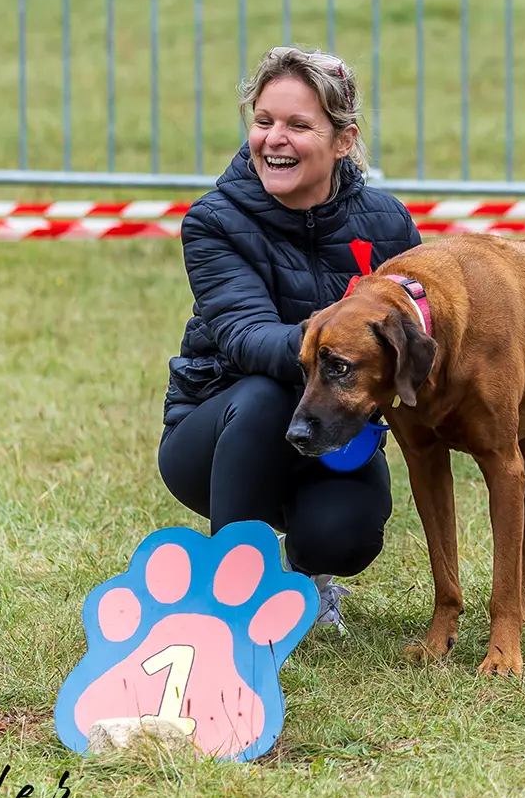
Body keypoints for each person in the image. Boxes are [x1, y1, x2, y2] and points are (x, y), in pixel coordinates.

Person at [158, 46, 420, 629]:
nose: (274, 138)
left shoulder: (389, 224)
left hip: (335, 436)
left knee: (345, 537)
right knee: (267, 389)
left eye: (299, 125)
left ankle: (309, 580)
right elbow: (244, 336)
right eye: (263, 120)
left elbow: (418, 333)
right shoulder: (212, 221)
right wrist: (346, 342)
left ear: (343, 140)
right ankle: (232, 599)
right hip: (216, 434)